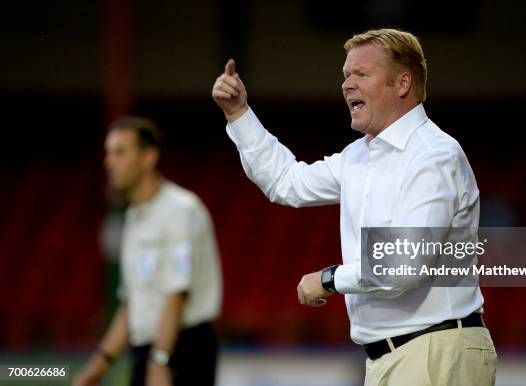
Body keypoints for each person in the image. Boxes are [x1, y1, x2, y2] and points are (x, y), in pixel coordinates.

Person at [212, 28, 496, 385]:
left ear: (402, 83)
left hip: (434, 352)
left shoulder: (433, 155)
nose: (347, 85)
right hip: (395, 356)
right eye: (346, 75)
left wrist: (331, 279)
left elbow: (405, 263)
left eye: (361, 74)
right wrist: (239, 115)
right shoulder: (359, 156)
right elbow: (287, 182)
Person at [73, 117, 222, 386]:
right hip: (149, 351)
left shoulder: (180, 209)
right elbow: (133, 301)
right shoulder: (134, 216)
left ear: (149, 157)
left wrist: (160, 362)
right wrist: (99, 365)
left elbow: (177, 293)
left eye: (120, 152)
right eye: (108, 153)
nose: (109, 162)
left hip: (182, 350)